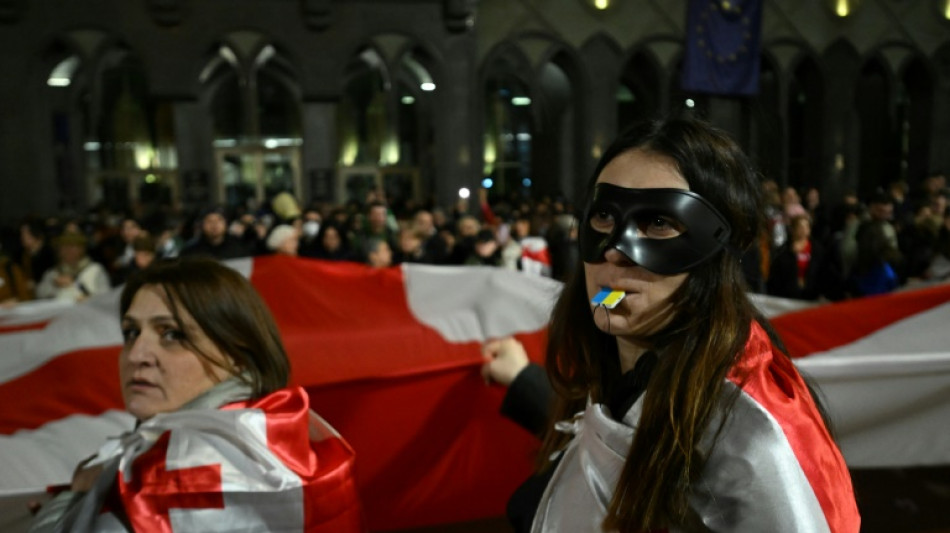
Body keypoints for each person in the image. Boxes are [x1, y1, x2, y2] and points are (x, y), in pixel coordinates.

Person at [482, 118, 860, 532]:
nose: (616, 253)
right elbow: (620, 440)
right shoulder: (619, 362)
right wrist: (522, 381)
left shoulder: (752, 429)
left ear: (716, 250)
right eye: (605, 216)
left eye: (659, 223)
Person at [28, 258, 363, 532]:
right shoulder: (290, 435)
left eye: (172, 334)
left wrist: (77, 495)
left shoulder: (165, 475)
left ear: (236, 352)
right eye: (131, 332)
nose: (136, 354)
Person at [35, 231, 112, 302]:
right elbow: (40, 294)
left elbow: (105, 298)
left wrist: (75, 284)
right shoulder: (53, 273)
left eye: (72, 246)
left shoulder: (96, 270)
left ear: (81, 249)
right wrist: (54, 285)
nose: (68, 250)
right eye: (64, 246)